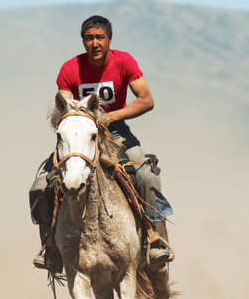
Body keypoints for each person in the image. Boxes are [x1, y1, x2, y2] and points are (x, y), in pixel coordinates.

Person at [30, 15, 172, 271]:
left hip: (114, 130)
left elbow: (146, 100)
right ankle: (49, 246)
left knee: (147, 176)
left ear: (109, 40)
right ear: (83, 41)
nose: (94, 43)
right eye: (89, 38)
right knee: (41, 185)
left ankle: (155, 238)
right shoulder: (70, 69)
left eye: (99, 38)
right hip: (79, 134)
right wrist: (78, 120)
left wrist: (110, 117)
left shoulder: (124, 62)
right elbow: (63, 106)